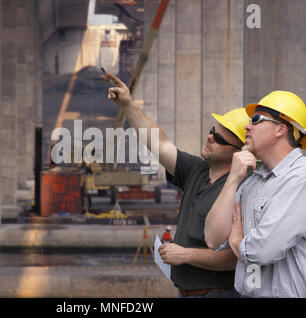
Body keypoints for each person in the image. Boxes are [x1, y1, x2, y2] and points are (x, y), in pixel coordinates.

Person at [102, 72, 249, 298]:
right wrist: (128, 105)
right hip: (188, 292)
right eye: (212, 132)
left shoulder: (242, 190)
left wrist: (186, 255)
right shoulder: (197, 170)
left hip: (219, 293)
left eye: (219, 139)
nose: (210, 138)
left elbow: (237, 257)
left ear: (238, 153)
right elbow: (160, 143)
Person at [205, 91, 306, 298]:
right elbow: (212, 238)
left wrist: (236, 240)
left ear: (281, 129)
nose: (247, 126)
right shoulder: (252, 183)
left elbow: (263, 250)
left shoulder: (305, 178)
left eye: (256, 120)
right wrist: (233, 178)